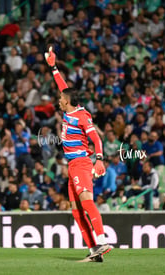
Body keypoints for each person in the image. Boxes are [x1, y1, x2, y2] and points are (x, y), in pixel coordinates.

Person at [45, 47, 113, 262]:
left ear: (67, 101)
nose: (58, 99)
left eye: (61, 98)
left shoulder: (82, 116)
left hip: (82, 163)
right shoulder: (70, 108)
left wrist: (99, 160)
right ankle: (94, 250)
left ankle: (102, 240)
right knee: (76, 211)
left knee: (86, 202)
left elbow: (97, 140)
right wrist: (54, 67)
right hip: (72, 165)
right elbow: (63, 86)